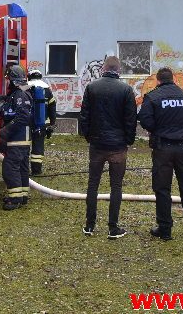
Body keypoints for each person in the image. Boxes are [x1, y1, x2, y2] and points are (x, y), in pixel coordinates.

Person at [138, 67, 183, 241]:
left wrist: (158, 128)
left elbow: (144, 120)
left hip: (163, 148)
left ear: (158, 80)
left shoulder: (152, 96)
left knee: (162, 189)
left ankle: (165, 229)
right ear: (173, 79)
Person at [78, 56, 137, 239]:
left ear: (103, 68)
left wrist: (88, 136)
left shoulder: (92, 87)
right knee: (116, 186)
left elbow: (84, 115)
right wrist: (128, 140)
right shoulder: (126, 90)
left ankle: (89, 225)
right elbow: (130, 119)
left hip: (97, 143)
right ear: (118, 70)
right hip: (118, 145)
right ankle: (113, 227)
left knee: (93, 184)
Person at [0, 64, 34, 210]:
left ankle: (15, 199)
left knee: (10, 168)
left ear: (14, 80)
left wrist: (5, 131)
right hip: (22, 139)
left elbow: (22, 117)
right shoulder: (21, 92)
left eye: (9, 79)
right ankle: (22, 196)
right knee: (22, 168)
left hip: (17, 139)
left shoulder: (20, 94)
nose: (7, 82)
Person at [27, 69, 57, 175]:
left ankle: (23, 169)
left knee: (24, 146)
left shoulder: (26, 88)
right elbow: (52, 107)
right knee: (38, 147)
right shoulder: (46, 89)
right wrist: (52, 123)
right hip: (42, 124)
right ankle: (36, 171)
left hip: (26, 124)